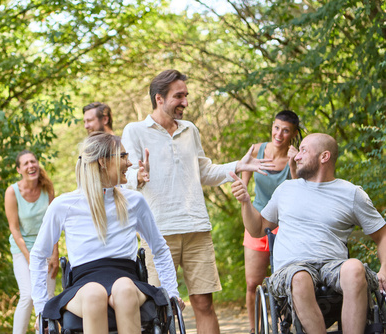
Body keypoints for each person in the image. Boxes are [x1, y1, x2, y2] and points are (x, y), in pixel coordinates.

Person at [121, 69, 275, 334]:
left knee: (204, 303)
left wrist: (238, 165)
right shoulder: (135, 131)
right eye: (178, 96)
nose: (185, 102)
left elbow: (203, 171)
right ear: (159, 98)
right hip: (158, 231)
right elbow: (125, 176)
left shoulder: (190, 129)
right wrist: (139, 175)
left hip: (197, 228)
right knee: (158, 306)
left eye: (186, 95)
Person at [30, 132, 184, 334]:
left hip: (127, 278)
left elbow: (160, 248)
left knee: (124, 289)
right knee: (95, 293)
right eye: (123, 156)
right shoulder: (63, 205)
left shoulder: (134, 201)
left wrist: (172, 293)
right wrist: (41, 308)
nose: (129, 163)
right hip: (83, 284)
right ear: (103, 162)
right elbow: (38, 255)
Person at [230, 133, 386, 333]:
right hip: (292, 268)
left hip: (333, 265)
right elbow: (257, 229)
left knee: (355, 268)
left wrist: (384, 269)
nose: (296, 156)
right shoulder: (286, 189)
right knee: (300, 276)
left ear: (324, 157)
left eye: (303, 150)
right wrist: (245, 202)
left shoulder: (351, 193)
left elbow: (381, 235)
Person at [241, 110, 303, 334]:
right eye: (276, 127)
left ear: (293, 134)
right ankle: (254, 329)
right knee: (252, 282)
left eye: (286, 130)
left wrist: (294, 166)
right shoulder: (257, 150)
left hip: (285, 225)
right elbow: (242, 183)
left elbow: (300, 190)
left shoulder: (294, 157)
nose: (279, 134)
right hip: (257, 222)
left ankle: (285, 324)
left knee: (286, 280)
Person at [5, 150, 60, 334]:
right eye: (26, 163)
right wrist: (30, 258)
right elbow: (14, 229)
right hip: (23, 250)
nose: (31, 166)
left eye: (33, 162)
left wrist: (55, 253)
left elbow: (54, 223)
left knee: (48, 297)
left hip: (45, 248)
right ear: (19, 169)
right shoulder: (12, 192)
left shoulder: (47, 189)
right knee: (28, 295)